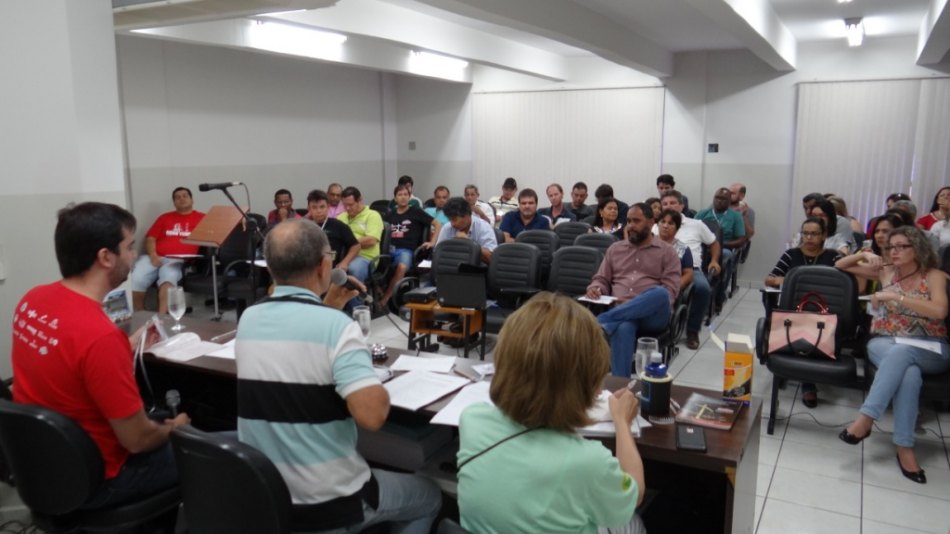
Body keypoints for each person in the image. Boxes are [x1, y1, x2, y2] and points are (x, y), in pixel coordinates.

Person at [236, 219, 441, 530]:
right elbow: (372, 417)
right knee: (430, 495)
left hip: (267, 495)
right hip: (329, 501)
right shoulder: (338, 327)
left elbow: (300, 346)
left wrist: (328, 307)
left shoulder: (249, 319)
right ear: (324, 266)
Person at [12, 202, 191, 509]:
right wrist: (177, 428)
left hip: (46, 466)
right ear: (106, 257)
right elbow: (138, 440)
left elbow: (69, 356)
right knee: (215, 450)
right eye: (130, 247)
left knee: (158, 416)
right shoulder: (100, 337)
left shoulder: (33, 299)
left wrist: (124, 346)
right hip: (103, 478)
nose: (133, 256)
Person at [457, 293, 646, 534]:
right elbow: (635, 495)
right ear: (581, 387)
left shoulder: (472, 419)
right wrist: (621, 421)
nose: (600, 389)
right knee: (633, 523)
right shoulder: (588, 461)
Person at [836, 226, 950, 484]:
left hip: (931, 346)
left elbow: (939, 311)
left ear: (918, 248)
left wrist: (896, 297)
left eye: (901, 246)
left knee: (905, 358)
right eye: (891, 247)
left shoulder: (934, 276)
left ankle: (866, 419)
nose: (894, 251)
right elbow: (840, 264)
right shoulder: (886, 270)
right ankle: (904, 447)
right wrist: (865, 254)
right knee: (907, 369)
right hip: (885, 341)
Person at [587, 203, 680, 376]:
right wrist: (596, 288)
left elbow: (670, 292)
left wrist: (638, 303)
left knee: (660, 293)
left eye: (636, 221)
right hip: (621, 311)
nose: (630, 226)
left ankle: (601, 321)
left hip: (652, 315)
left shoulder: (667, 252)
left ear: (651, 222)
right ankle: (620, 385)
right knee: (624, 327)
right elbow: (601, 279)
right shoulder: (615, 249)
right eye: (629, 221)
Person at [765, 217, 841, 408]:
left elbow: (842, 282)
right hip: (794, 312)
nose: (809, 238)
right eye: (805, 233)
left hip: (822, 314)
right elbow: (770, 279)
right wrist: (790, 279)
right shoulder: (791, 254)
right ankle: (802, 380)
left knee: (811, 331)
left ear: (824, 235)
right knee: (799, 328)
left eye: (814, 234)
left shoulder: (833, 257)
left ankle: (806, 381)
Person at [659, 190, 719, 350]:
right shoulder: (656, 225)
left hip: (690, 267)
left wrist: (714, 260)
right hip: (660, 268)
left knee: (703, 288)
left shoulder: (697, 224)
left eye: (673, 203)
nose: (669, 206)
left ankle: (692, 331)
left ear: (682, 205)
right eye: (665, 204)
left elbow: (714, 243)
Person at [130, 186, 205, 313]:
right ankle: (141, 314)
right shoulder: (164, 217)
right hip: (154, 257)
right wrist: (153, 255)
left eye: (185, 196)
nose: (181, 199)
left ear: (192, 200)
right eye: (177, 197)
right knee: (136, 277)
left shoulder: (203, 218)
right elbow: (151, 238)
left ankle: (162, 318)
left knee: (168, 279)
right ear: (174, 202)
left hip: (177, 260)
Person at [383, 184, 440, 306]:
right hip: (389, 250)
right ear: (395, 198)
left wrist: (432, 242)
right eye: (400, 195)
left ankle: (386, 299)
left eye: (406, 194)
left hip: (406, 250)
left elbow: (437, 224)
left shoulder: (416, 211)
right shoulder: (390, 215)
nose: (403, 197)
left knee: (402, 267)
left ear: (409, 197)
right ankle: (378, 292)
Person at [695, 187, 747, 307]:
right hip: (701, 246)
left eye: (723, 199)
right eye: (717, 198)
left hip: (724, 247)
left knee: (726, 255)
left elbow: (741, 240)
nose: (719, 201)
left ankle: (720, 293)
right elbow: (691, 230)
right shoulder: (703, 213)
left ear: (729, 202)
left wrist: (721, 244)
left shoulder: (735, 216)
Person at [337, 186, 384, 283]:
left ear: (359, 200)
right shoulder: (341, 217)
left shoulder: (372, 215)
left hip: (365, 257)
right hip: (343, 254)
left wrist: (348, 242)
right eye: (345, 205)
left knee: (352, 270)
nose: (347, 208)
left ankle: (356, 293)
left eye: (351, 205)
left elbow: (371, 240)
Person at [305, 189, 360, 271]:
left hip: (331, 268)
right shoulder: (303, 227)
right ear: (309, 209)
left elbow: (356, 246)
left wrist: (345, 262)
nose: (319, 211)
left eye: (322, 207)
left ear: (328, 207)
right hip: (308, 268)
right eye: (314, 207)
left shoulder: (338, 225)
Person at [437, 197, 497, 264]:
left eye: (454, 219)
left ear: (467, 215)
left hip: (476, 268)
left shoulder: (484, 227)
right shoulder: (447, 228)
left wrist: (468, 242)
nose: (452, 224)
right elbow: (438, 253)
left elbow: (491, 259)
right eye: (449, 219)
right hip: (452, 266)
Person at [656, 209, 695, 293]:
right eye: (663, 222)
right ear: (658, 224)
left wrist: (675, 287)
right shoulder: (647, 243)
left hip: (668, 289)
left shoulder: (683, 249)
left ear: (677, 228)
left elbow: (688, 274)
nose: (665, 226)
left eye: (670, 223)